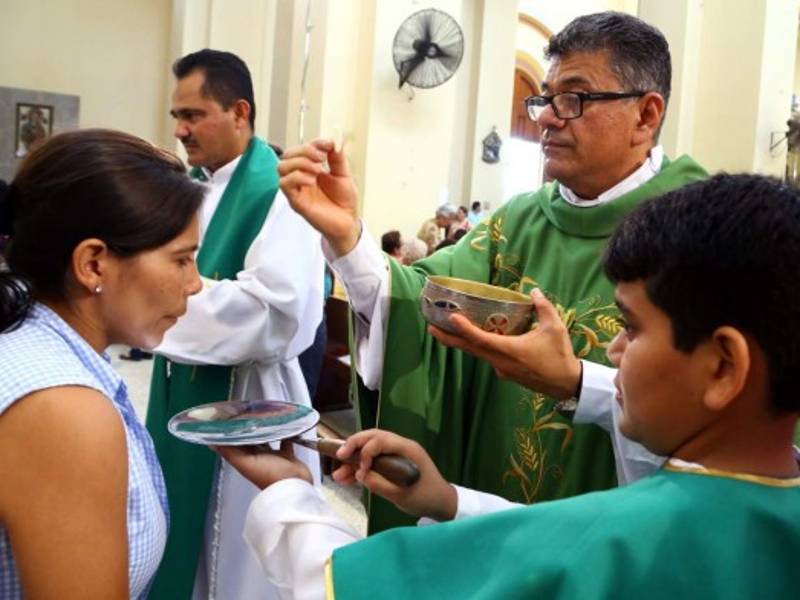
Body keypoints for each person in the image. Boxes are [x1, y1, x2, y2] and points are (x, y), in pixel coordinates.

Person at [220, 173, 800, 598]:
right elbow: (539, 545)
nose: (611, 351)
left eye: (628, 326)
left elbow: (353, 588)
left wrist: (291, 492)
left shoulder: (619, 545)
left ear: (724, 368)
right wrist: (447, 500)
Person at [278, 11, 706, 532]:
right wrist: (348, 237)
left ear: (646, 114)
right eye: (545, 98)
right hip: (493, 521)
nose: (547, 117)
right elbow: (420, 302)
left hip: (623, 546)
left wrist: (576, 382)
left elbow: (720, 417)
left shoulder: (704, 229)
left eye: (573, 98)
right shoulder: (519, 220)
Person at [145, 49, 325, 599]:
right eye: (177, 116)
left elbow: (278, 311)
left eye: (193, 115)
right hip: (186, 389)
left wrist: (151, 302)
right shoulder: (195, 188)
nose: (180, 129)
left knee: (238, 565)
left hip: (250, 404)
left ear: (239, 112)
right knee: (186, 554)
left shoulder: (282, 192)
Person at [0, 129, 204, 598]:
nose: (194, 284)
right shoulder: (63, 409)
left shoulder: (35, 348)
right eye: (182, 259)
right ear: (93, 264)